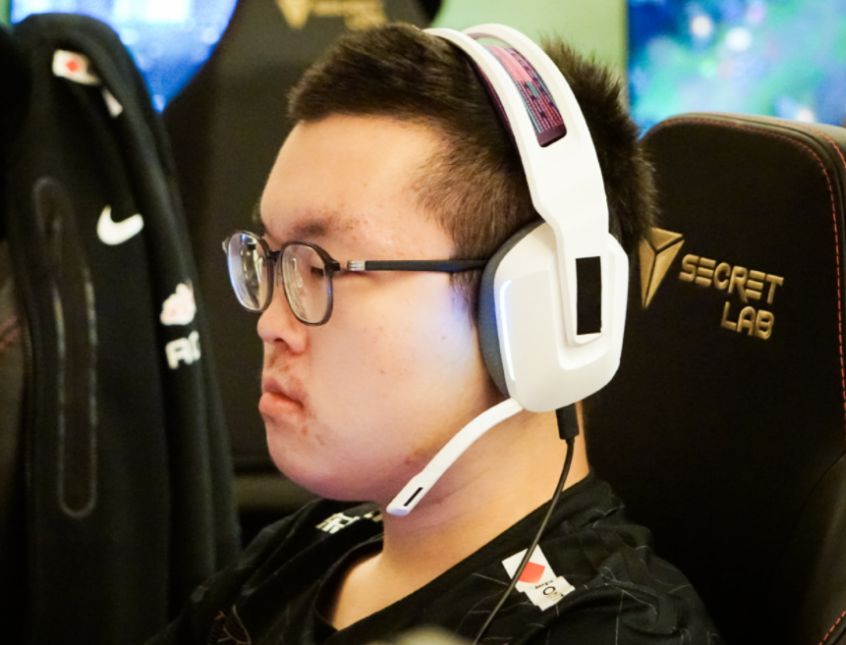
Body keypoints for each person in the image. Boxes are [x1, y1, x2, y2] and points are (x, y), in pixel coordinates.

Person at [147, 23, 720, 645]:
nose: (270, 324)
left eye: (321, 267)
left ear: (536, 306)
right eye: (273, 257)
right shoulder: (309, 546)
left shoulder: (608, 630)